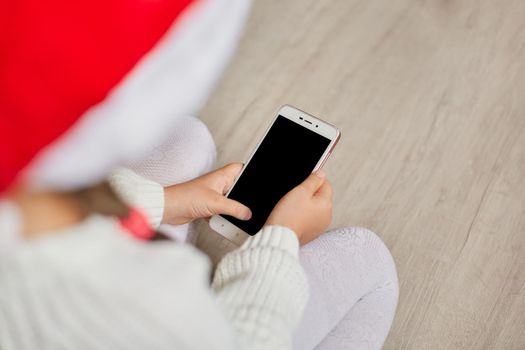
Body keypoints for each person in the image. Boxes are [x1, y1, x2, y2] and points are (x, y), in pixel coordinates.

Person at [0, 0, 399, 348]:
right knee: (369, 260)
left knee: (188, 141)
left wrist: (168, 203)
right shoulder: (145, 306)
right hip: (191, 327)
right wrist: (281, 241)